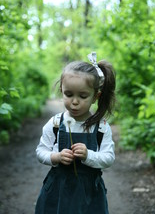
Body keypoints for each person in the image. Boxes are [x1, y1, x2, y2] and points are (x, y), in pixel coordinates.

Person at [35, 52, 116, 214]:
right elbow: (40, 151)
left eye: (83, 96)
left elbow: (108, 158)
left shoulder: (101, 127)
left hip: (89, 194)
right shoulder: (55, 123)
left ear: (95, 96)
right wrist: (55, 157)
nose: (75, 101)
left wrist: (88, 156)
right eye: (68, 94)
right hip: (58, 191)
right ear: (61, 90)